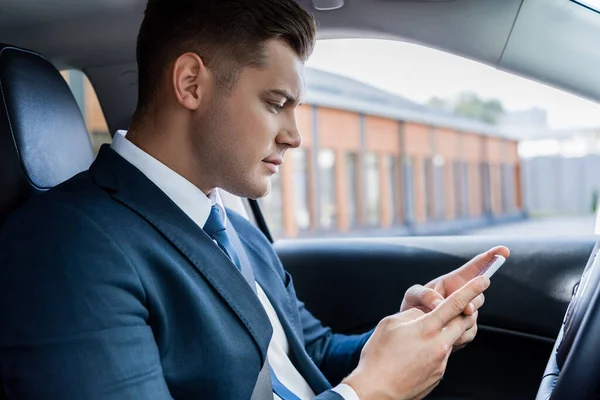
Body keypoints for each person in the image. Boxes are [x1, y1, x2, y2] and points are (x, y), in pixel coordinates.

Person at [0, 0, 509, 399]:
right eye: (275, 103)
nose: (294, 136)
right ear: (191, 83)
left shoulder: (235, 228)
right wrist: (373, 392)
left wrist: (408, 335)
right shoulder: (65, 249)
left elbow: (308, 354)